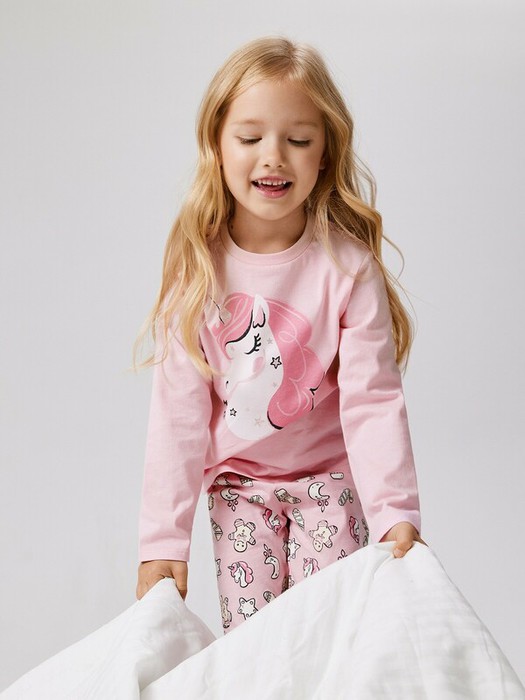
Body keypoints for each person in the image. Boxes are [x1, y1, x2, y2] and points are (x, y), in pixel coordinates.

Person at [134, 35, 427, 633]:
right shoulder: (197, 272)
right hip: (240, 490)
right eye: (250, 138)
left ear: (324, 153)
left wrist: (395, 512)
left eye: (298, 140)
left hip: (331, 482)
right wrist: (162, 541)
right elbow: (178, 414)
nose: (273, 157)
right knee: (254, 644)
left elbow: (373, 400)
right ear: (217, 145)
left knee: (324, 633)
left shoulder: (347, 269)